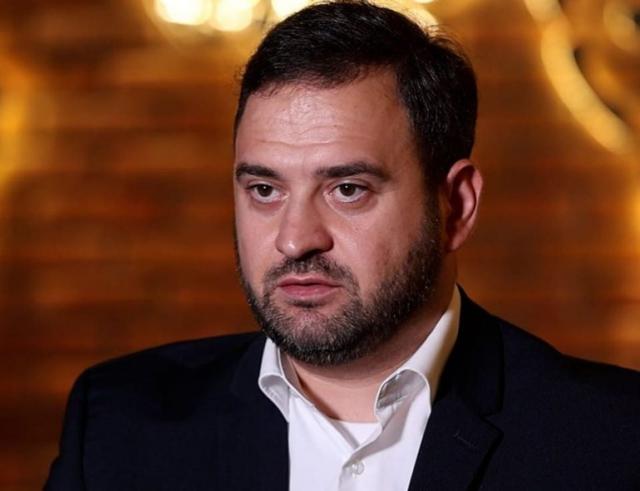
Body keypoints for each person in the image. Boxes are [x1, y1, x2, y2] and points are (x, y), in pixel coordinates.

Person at [45, 1, 640, 490]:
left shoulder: (614, 441)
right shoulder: (118, 424)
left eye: (347, 189)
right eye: (264, 189)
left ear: (456, 206)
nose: (294, 239)